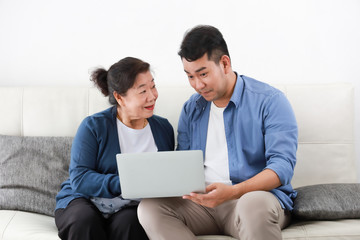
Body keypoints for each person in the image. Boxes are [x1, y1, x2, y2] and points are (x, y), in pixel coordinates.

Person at [138, 25, 298, 240]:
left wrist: (232, 192)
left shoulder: (270, 101)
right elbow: (183, 164)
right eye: (190, 76)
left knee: (253, 205)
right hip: (203, 204)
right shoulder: (192, 108)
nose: (198, 85)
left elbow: (282, 167)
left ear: (224, 63)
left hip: (253, 199)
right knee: (149, 208)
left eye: (203, 74)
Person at [55, 57, 175, 240]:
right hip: (84, 199)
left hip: (130, 207)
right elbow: (80, 178)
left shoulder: (163, 129)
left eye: (153, 86)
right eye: (142, 91)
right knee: (84, 221)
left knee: (131, 224)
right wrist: (127, 183)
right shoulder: (93, 127)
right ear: (119, 97)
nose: (152, 96)